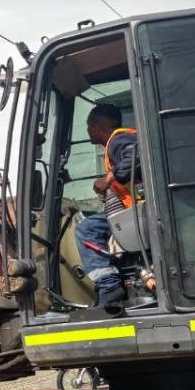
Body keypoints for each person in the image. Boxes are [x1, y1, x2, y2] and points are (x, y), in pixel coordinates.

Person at [74, 104, 139, 312]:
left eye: (88, 126)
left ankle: (109, 287)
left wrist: (108, 178)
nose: (88, 131)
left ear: (97, 126)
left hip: (140, 211)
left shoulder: (119, 139)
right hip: (135, 209)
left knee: (87, 229)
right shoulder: (118, 142)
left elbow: (136, 155)